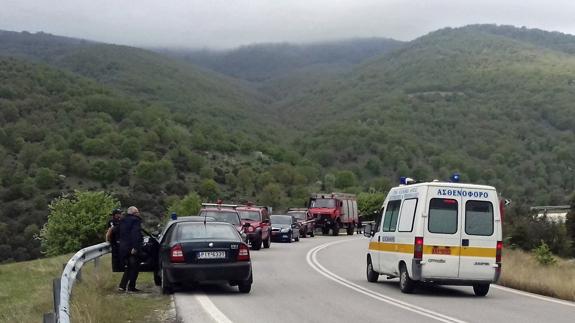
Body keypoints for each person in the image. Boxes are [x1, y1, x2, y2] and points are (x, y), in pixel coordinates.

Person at [118, 206, 143, 292]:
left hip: (123, 248)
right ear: (134, 213)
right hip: (132, 248)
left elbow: (119, 233)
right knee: (134, 267)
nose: (138, 214)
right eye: (137, 212)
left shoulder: (122, 220)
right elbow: (135, 234)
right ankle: (131, 287)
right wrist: (135, 247)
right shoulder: (135, 220)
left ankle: (122, 286)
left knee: (129, 267)